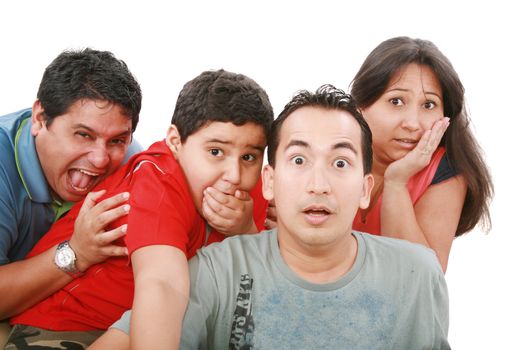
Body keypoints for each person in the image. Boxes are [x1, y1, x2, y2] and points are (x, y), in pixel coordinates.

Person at [100, 85, 449, 349]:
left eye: (340, 163)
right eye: (299, 160)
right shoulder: (217, 270)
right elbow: (125, 336)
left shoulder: (416, 275)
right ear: (269, 181)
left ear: (365, 188)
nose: (319, 184)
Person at [5, 69, 274, 349]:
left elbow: (258, 281)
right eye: (216, 152)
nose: (233, 173)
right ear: (175, 143)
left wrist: (247, 231)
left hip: (150, 321)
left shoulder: (251, 184)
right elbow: (161, 282)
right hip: (66, 323)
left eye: (249, 157)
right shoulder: (156, 176)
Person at [0, 48, 142, 344]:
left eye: (117, 140)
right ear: (40, 118)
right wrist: (76, 252)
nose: (101, 159)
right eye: (83, 135)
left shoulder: (130, 160)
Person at [349, 36, 493, 272]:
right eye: (396, 101)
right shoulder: (333, 154)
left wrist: (396, 182)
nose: (413, 124)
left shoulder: (446, 171)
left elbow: (421, 278)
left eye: (428, 105)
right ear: (360, 106)